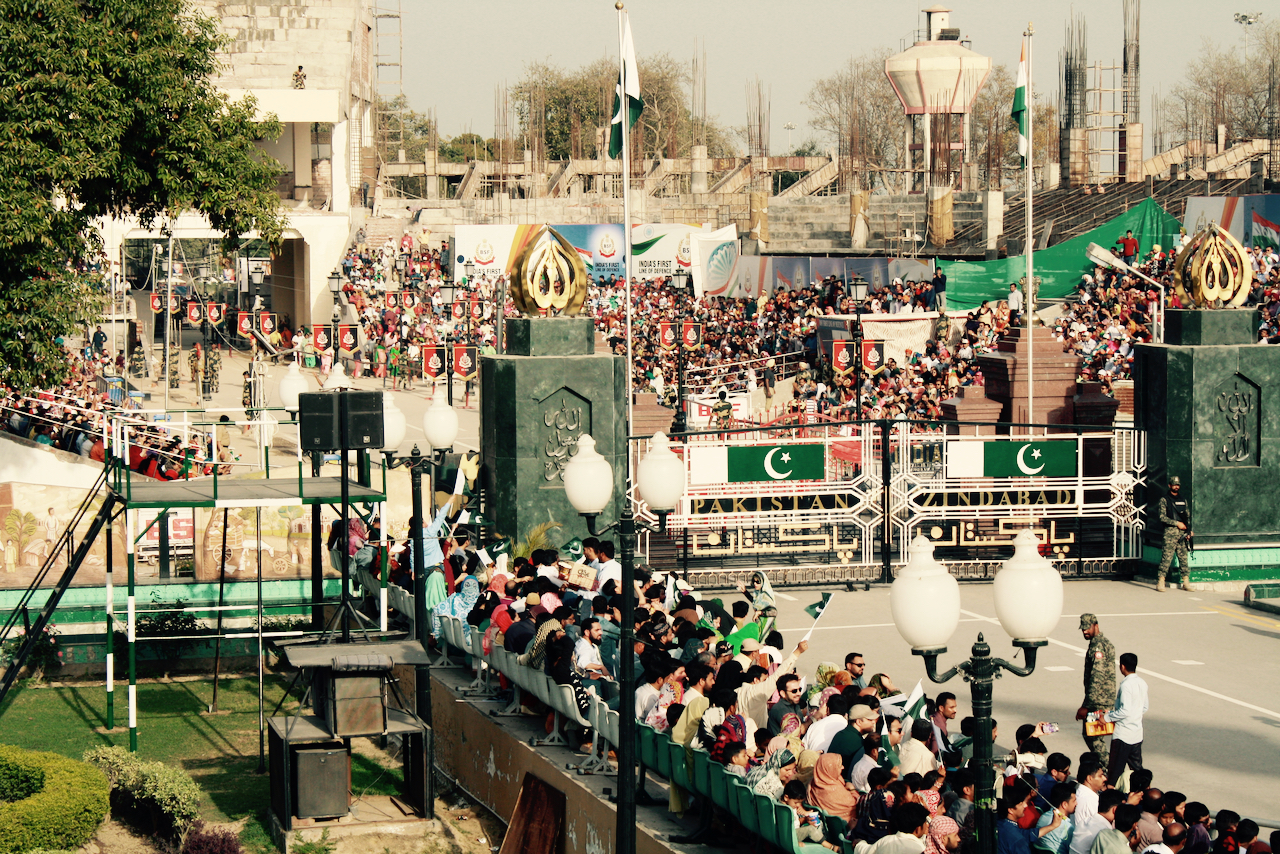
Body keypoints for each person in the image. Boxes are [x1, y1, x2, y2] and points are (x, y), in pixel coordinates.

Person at [1103, 652, 1149, 786]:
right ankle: (1145, 790)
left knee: (1114, 771)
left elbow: (1125, 711)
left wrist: (1107, 717)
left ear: (1122, 666)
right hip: (1137, 734)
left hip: (1123, 735)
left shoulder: (1126, 685)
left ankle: (1110, 792)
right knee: (1137, 769)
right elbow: (1144, 707)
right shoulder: (1142, 683)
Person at [1076, 613, 1116, 761]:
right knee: (1095, 737)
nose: (1085, 631)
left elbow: (1097, 677)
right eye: (1083, 629)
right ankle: (1108, 766)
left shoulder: (1097, 646)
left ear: (1096, 626)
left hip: (1098, 702)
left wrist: (1086, 706)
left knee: (1092, 737)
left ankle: (1108, 767)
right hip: (1104, 699)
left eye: (1088, 628)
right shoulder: (1105, 643)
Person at [999, 779, 1062, 854]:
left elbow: (1026, 834)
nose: (1025, 805)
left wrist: (1053, 825)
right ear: (1011, 810)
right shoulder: (1017, 841)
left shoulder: (1001, 823)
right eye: (1021, 804)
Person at [1155, 476, 1192, 592]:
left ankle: (1186, 582)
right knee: (1166, 558)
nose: (1176, 487)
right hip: (1170, 534)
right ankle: (1161, 581)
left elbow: (1187, 517)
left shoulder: (1183, 500)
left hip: (1182, 534)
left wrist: (1188, 531)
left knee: (1183, 559)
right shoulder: (1164, 500)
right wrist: (1176, 523)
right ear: (1169, 485)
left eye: (1178, 485)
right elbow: (1162, 517)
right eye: (1174, 484)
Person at [780, 779, 838, 850]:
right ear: (786, 797)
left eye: (800, 802)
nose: (798, 805)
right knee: (810, 829)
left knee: (817, 825)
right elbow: (784, 830)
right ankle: (831, 847)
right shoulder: (784, 810)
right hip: (790, 836)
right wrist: (794, 842)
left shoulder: (789, 805)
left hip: (794, 833)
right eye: (796, 802)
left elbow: (794, 822)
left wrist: (806, 819)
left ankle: (822, 843)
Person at [1034, 782, 1077, 854]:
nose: (1076, 803)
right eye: (1074, 800)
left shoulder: (1043, 816)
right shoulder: (1068, 828)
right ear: (1064, 804)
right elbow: (1072, 850)